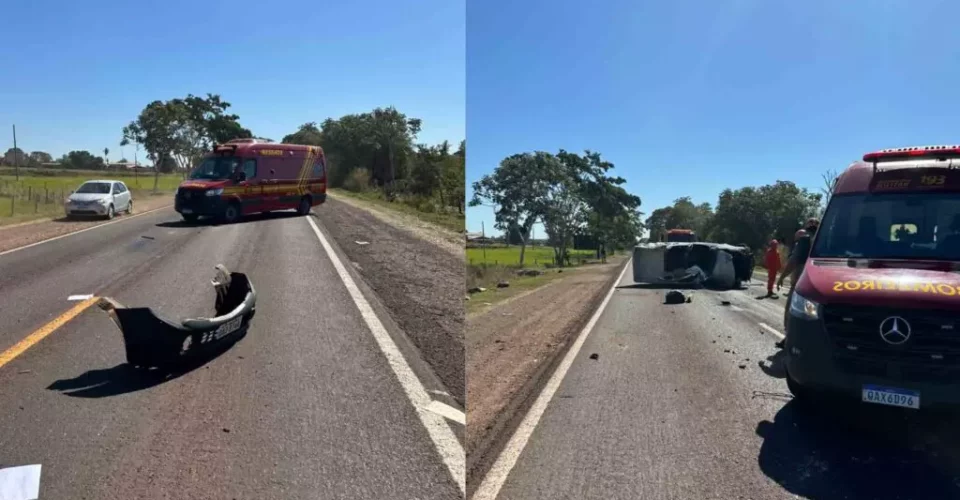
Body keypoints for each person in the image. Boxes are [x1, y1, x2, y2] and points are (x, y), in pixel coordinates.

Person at [776, 218, 820, 347]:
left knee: (792, 310)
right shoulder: (823, 240)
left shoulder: (804, 240)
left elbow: (794, 260)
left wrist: (782, 277)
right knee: (812, 313)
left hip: (801, 283)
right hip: (817, 285)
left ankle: (789, 339)